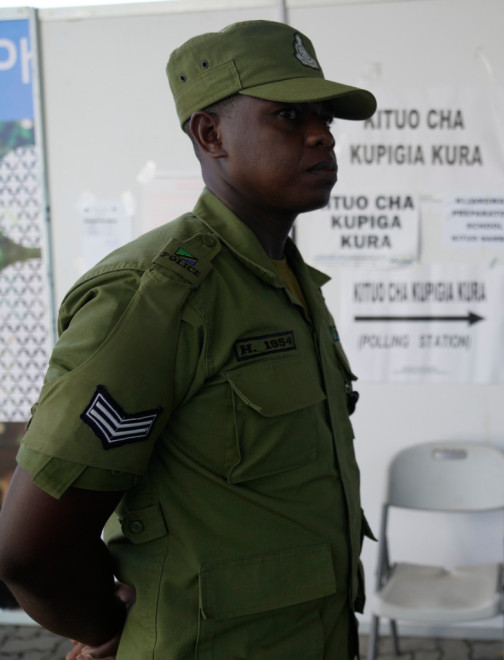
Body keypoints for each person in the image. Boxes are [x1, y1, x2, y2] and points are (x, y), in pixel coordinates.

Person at [0, 21, 376, 659]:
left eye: (325, 117)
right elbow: (30, 550)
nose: (322, 135)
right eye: (289, 115)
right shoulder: (156, 297)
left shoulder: (286, 281)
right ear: (210, 135)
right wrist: (105, 629)